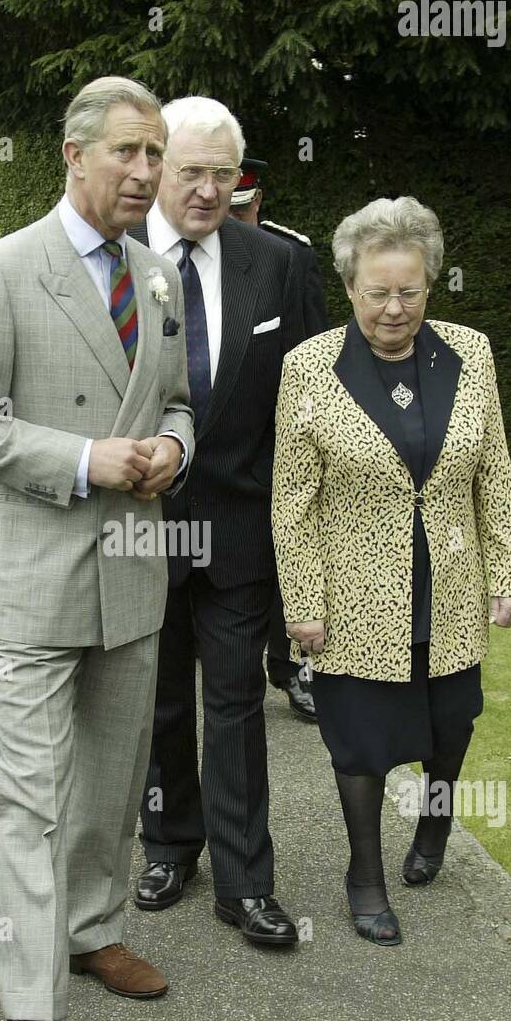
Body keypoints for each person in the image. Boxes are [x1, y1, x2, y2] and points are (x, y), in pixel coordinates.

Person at [0, 75, 195, 1021]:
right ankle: (28, 1007)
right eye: (128, 152)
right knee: (31, 800)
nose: (145, 171)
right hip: (31, 584)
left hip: (130, 577)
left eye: (155, 153)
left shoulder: (156, 276)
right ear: (72, 155)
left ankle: (93, 929)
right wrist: (90, 459)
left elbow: (174, 403)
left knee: (114, 786)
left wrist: (172, 445)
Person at [272, 196, 511, 947]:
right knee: (359, 743)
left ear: (430, 285)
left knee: (451, 726)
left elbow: (495, 472)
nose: (394, 307)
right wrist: (303, 602)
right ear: (349, 287)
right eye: (378, 291)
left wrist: (509, 569)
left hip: (447, 590)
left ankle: (436, 822)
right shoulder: (308, 367)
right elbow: (292, 501)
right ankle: (364, 875)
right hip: (354, 601)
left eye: (409, 291)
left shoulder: (470, 352)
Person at [126, 98, 304, 945]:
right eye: (189, 170)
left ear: (242, 178)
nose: (205, 190)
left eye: (222, 175)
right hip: (138, 528)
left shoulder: (277, 265)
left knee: (233, 705)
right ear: (157, 164)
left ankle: (246, 879)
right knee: (157, 703)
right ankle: (168, 844)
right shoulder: (112, 265)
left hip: (240, 530)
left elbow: (305, 407)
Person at [226, 156, 329, 723]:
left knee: (289, 546)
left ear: (258, 203)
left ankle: (291, 668)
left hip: (282, 427)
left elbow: (314, 343)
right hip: (216, 434)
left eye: (243, 209)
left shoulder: (291, 254)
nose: (234, 219)